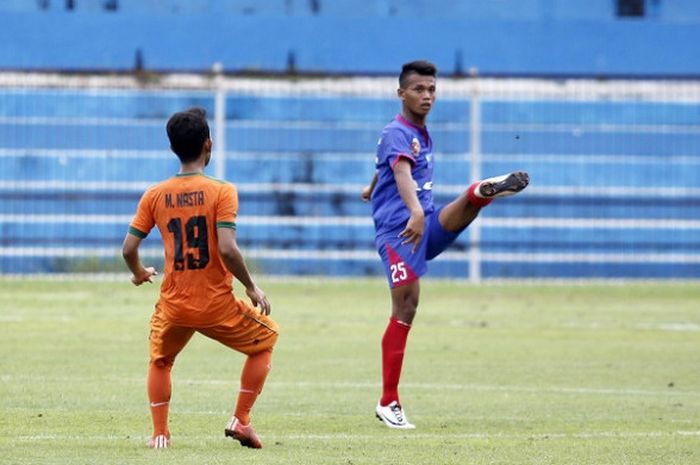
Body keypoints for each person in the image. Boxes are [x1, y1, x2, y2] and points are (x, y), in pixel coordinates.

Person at [361, 61, 529, 429]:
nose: (427, 96)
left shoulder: (416, 131)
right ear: (401, 93)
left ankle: (480, 192)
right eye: (419, 89)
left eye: (432, 89)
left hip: (425, 221)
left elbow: (387, 166)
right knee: (406, 306)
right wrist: (414, 211)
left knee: (466, 208)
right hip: (401, 232)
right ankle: (388, 401)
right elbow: (401, 171)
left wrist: (372, 187)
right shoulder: (397, 131)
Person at [122, 107, 278, 449]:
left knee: (161, 361)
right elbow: (227, 248)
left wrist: (138, 273)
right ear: (209, 144)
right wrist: (251, 286)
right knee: (266, 341)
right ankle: (241, 419)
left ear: (172, 148)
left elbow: (129, 247)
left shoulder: (155, 194)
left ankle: (160, 434)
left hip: (175, 305)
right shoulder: (222, 192)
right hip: (216, 305)